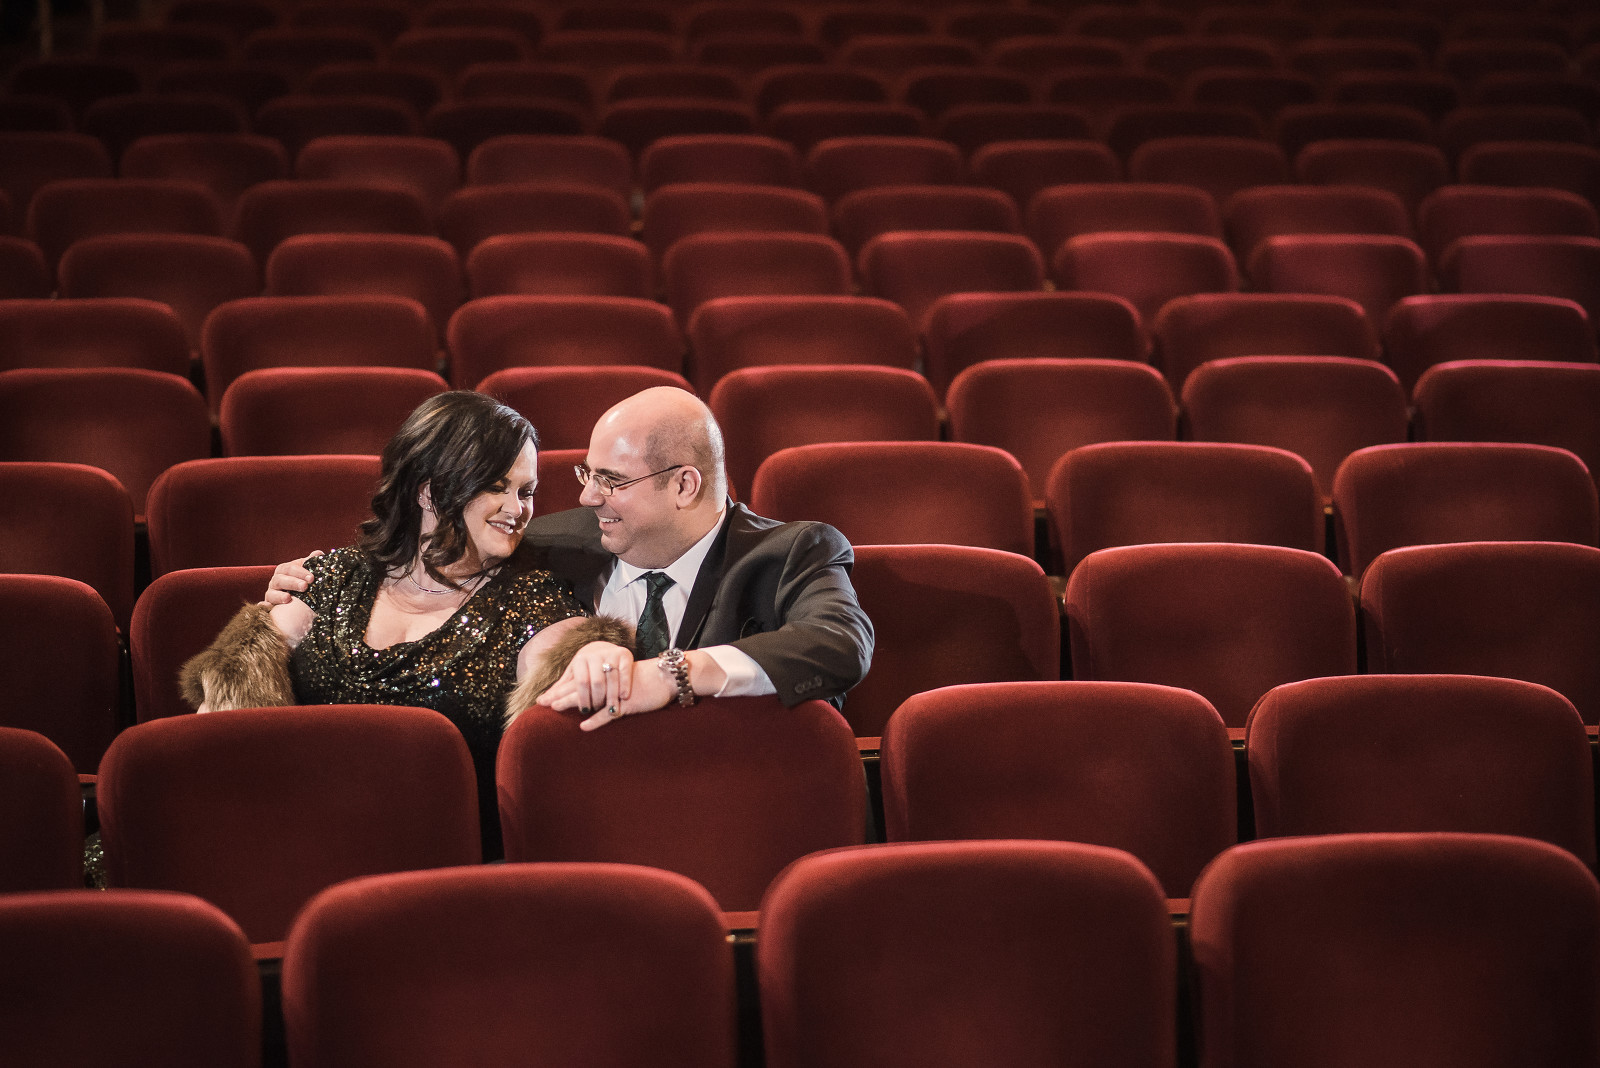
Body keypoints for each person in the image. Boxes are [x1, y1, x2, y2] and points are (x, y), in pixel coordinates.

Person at [268, 386, 874, 730]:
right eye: (589, 474)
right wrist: (316, 582)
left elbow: (838, 644)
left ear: (685, 485)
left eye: (612, 480)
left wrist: (670, 674)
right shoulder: (548, 543)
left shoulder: (791, 552)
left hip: (728, 802)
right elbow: (433, 554)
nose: (587, 497)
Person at [183, 390, 626, 856]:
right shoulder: (332, 577)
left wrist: (596, 653)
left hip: (446, 861)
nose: (518, 509)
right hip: (297, 842)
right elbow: (223, 727)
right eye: (497, 487)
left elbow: (562, 734)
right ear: (428, 490)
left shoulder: (536, 603)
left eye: (526, 491)